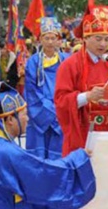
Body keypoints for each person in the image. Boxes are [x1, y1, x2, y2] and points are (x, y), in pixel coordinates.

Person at [0, 82, 95, 209]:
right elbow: (42, 174)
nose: (27, 119)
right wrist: (77, 159)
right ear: (10, 119)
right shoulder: (4, 151)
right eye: (24, 114)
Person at [54, 5, 108, 157]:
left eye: (107, 39)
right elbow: (60, 101)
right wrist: (87, 97)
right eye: (98, 39)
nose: (103, 44)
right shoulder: (70, 65)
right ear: (85, 38)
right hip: (85, 131)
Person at [25, 17, 69, 159]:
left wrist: (61, 106)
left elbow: (71, 86)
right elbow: (31, 91)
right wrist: (51, 109)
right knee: (39, 156)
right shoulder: (33, 61)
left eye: (53, 38)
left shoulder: (66, 60)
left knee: (59, 156)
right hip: (41, 112)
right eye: (47, 38)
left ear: (58, 40)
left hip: (61, 109)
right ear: (40, 40)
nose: (50, 42)